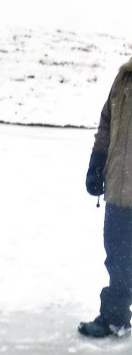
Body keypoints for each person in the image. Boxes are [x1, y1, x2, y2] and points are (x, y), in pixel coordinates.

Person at [79, 56, 132, 339]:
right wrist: (96, 163)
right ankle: (115, 318)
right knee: (118, 256)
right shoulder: (124, 77)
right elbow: (106, 123)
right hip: (119, 188)